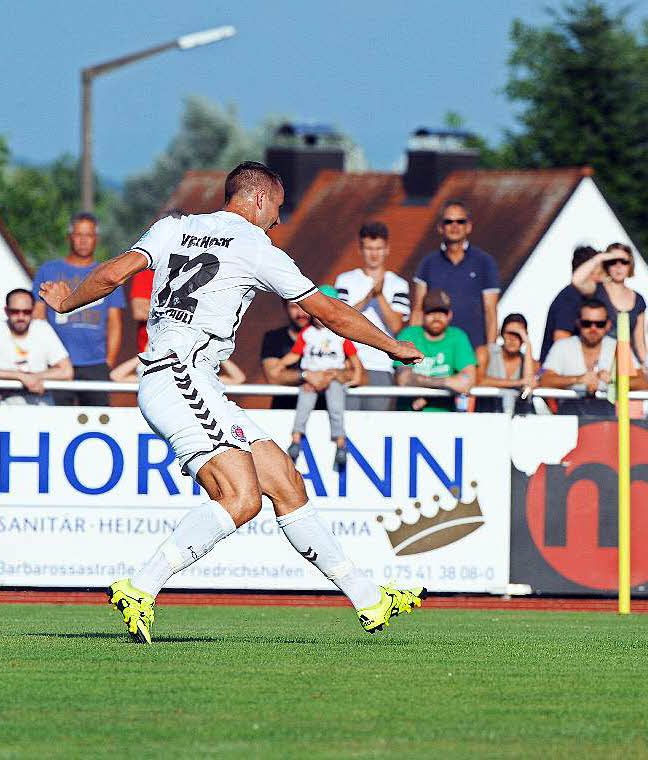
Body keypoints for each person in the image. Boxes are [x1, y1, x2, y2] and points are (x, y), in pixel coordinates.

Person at [38, 161, 426, 643]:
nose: (278, 221)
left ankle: (370, 598)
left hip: (186, 379)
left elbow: (115, 273)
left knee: (285, 480)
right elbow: (327, 311)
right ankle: (140, 586)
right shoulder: (256, 247)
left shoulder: (173, 228)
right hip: (180, 375)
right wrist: (392, 345)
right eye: (278, 210)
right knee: (240, 499)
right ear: (260, 200)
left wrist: (67, 302)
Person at [31, 211, 124, 405]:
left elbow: (115, 321)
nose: (83, 241)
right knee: (54, 420)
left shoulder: (105, 273)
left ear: (96, 239)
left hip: (95, 364)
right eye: (78, 235)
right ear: (69, 237)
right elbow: (38, 317)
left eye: (88, 235)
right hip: (56, 362)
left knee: (98, 420)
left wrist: (109, 361)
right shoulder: (49, 270)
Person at [411, 200, 499, 366]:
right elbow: (418, 310)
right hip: (436, 354)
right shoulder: (427, 263)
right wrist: (413, 349)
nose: (454, 226)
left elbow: (491, 312)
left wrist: (490, 351)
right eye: (448, 221)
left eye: (460, 221)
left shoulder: (485, 263)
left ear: (468, 226)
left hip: (474, 351)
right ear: (440, 227)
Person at [335, 221, 410, 411]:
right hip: (350, 364)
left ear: (387, 249)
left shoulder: (398, 284)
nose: (374, 254)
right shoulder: (345, 280)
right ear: (361, 249)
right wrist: (367, 298)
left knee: (376, 424)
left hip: (381, 364)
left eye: (378, 248)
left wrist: (380, 296)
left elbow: (397, 327)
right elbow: (338, 319)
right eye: (369, 248)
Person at [280, 316, 364, 470]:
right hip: (312, 378)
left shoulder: (339, 334)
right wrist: (280, 365)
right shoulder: (307, 333)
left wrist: (357, 375)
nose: (320, 318)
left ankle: (340, 443)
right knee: (304, 405)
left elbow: (354, 358)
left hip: (333, 376)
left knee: (336, 407)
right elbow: (295, 354)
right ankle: (296, 439)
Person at [540, 298, 648, 416]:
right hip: (570, 418)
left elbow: (642, 382)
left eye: (599, 324)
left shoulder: (618, 347)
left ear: (608, 325)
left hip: (607, 420)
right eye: (587, 323)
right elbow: (544, 380)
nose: (593, 329)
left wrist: (615, 381)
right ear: (578, 322)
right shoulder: (562, 346)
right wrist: (578, 379)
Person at [395, 288, 476, 412]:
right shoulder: (409, 335)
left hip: (445, 418)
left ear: (450, 315)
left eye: (442, 312)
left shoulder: (458, 337)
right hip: (409, 415)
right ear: (422, 314)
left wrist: (426, 395)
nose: (437, 317)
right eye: (431, 312)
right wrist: (447, 382)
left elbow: (467, 381)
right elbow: (403, 379)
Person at [571, 243, 648, 364]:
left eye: (623, 261)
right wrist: (599, 258)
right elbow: (576, 280)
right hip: (596, 362)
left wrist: (646, 366)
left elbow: (640, 343)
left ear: (630, 265)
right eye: (613, 261)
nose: (618, 266)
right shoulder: (596, 290)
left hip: (624, 363)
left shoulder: (639, 300)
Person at [0, 288, 72, 405]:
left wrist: (35, 377)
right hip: (5, 409)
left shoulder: (42, 329)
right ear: (6, 311)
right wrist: (21, 377)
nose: (21, 317)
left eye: (26, 312)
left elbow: (66, 371)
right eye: (15, 311)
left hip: (41, 407)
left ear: (33, 311)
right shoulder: (1, 329)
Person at [260, 301, 335, 410]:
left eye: (305, 307)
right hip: (284, 412)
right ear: (285, 307)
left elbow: (357, 376)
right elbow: (273, 377)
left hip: (323, 415)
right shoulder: (274, 338)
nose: (301, 313)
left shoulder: (332, 338)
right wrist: (305, 376)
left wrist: (330, 375)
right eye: (294, 307)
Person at [131, 209, 186, 352]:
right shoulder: (147, 269)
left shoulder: (192, 267)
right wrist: (181, 310)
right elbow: (139, 311)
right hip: (152, 350)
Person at [540, 245, 598, 363]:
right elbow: (561, 341)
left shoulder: (578, 297)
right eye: (600, 272)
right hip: (561, 375)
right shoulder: (570, 298)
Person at [476, 313, 536, 415]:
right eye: (509, 333)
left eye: (518, 334)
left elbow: (528, 384)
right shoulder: (485, 352)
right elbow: (478, 380)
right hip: (487, 417)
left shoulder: (530, 362)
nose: (512, 339)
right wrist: (518, 382)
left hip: (517, 420)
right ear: (501, 333)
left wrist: (528, 345)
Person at [111, 355, 245, 385]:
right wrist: (147, 354)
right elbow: (116, 376)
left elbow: (238, 378)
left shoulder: (194, 375)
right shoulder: (155, 378)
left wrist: (215, 354)